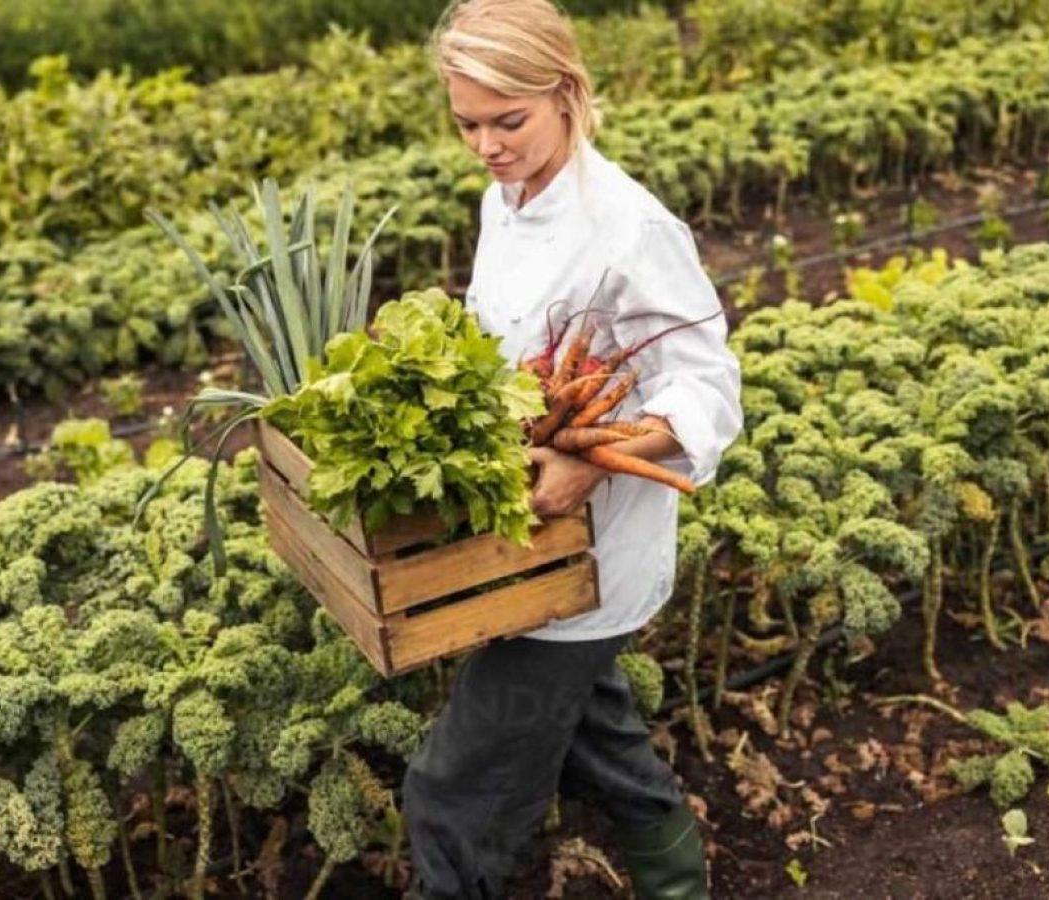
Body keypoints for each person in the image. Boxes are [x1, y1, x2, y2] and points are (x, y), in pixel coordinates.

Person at [401, 2, 743, 898]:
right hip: (524, 537)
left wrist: (591, 458)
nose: (486, 145)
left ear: (565, 94)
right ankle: (679, 877)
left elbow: (708, 389)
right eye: (467, 123)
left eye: (508, 121)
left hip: (593, 552)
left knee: (451, 793)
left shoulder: (630, 228)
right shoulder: (502, 200)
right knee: (594, 727)